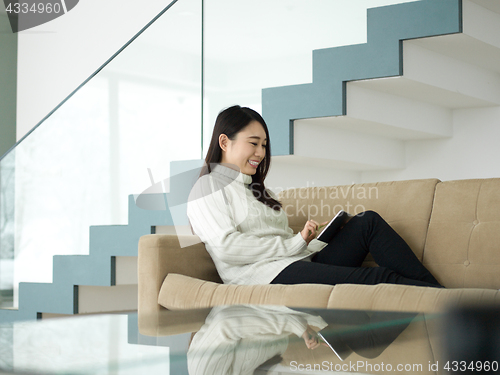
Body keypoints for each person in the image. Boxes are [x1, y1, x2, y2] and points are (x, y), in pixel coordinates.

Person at [186, 105, 443, 288]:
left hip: (295, 260)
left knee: (368, 222)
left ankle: (443, 298)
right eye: (253, 143)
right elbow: (226, 247)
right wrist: (294, 243)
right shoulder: (206, 188)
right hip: (263, 275)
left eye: (264, 144)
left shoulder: (259, 190)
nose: (261, 152)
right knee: (378, 278)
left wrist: (312, 240)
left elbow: (287, 243)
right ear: (224, 142)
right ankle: (452, 305)